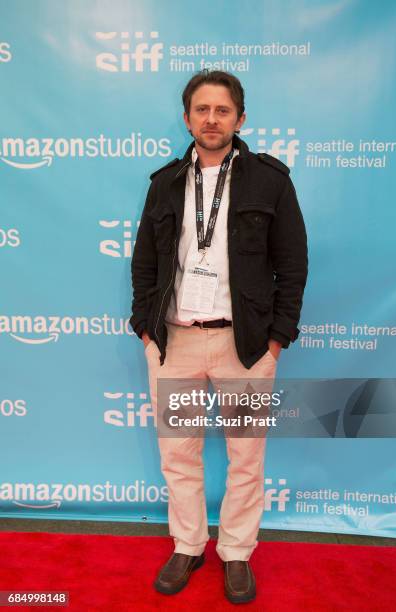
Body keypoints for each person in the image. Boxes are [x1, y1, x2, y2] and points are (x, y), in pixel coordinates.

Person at [130, 70, 308, 604]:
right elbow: (143, 261)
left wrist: (277, 337)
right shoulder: (164, 182)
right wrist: (146, 328)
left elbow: (292, 265)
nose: (212, 119)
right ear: (187, 118)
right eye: (202, 110)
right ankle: (188, 544)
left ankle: (236, 553)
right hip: (177, 345)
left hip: (245, 347)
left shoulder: (270, 180)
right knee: (179, 454)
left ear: (240, 118)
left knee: (245, 456)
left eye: (222, 110)